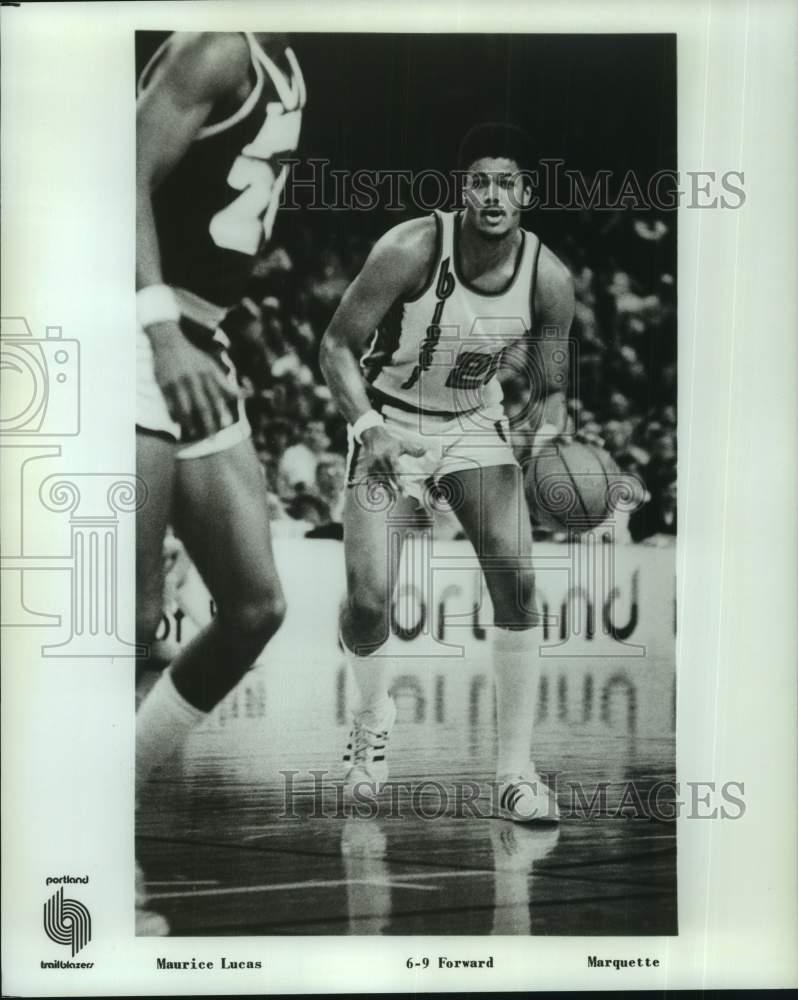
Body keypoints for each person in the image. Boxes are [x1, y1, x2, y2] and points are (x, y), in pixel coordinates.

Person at [320, 122, 574, 824]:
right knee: (368, 601)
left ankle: (516, 774)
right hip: (390, 418)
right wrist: (368, 428)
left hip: (471, 425)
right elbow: (335, 345)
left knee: (519, 582)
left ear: (526, 193)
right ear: (463, 191)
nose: (494, 195)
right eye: (481, 181)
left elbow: (550, 391)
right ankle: (372, 728)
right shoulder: (409, 247)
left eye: (508, 182)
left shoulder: (549, 278)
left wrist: (541, 439)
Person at [134, 30, 306, 932]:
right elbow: (112, 179)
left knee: (255, 607)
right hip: (133, 328)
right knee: (121, 630)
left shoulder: (290, 61)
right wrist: (159, 332)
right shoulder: (215, 46)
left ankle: (107, 791)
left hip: (203, 338)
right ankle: (87, 852)